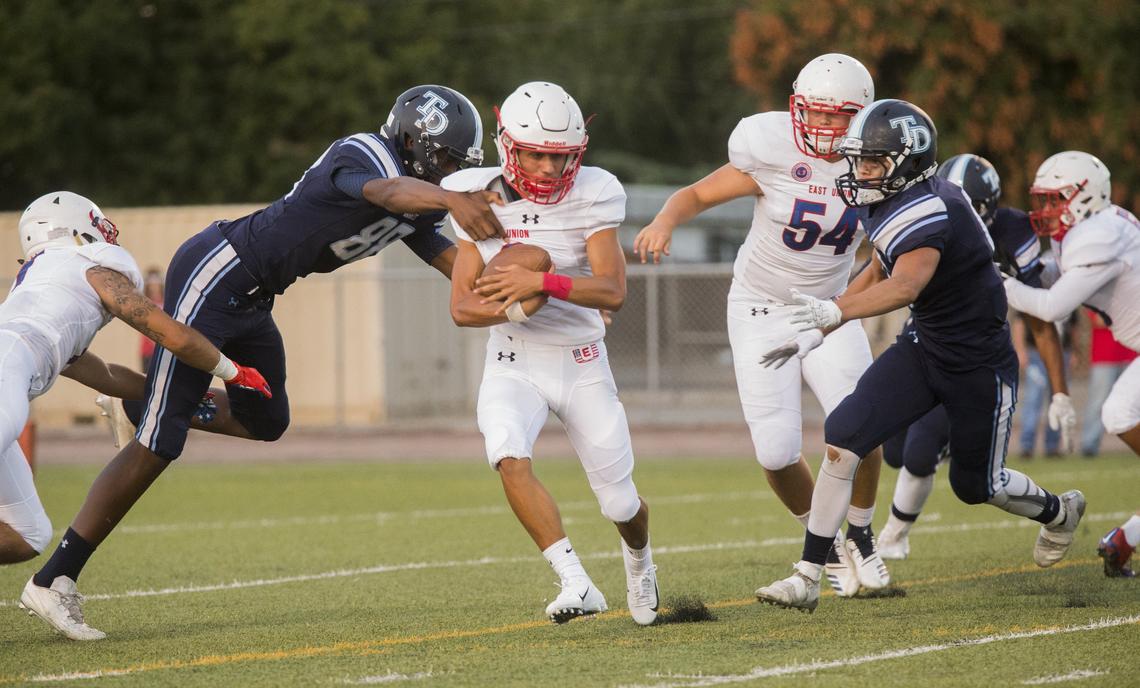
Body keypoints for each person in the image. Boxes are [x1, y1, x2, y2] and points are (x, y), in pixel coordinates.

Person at [23, 85, 505, 641]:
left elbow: (453, 264)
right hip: (218, 269)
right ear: (411, 139)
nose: (447, 175)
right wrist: (452, 199)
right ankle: (54, 578)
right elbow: (388, 191)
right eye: (443, 160)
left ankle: (142, 402)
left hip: (253, 296)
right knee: (161, 443)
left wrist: (530, 293)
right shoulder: (365, 153)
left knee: (266, 418)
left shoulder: (420, 204)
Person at [755, 100, 1085, 612]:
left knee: (977, 485)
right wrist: (825, 320)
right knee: (844, 435)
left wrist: (834, 314)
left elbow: (906, 283)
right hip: (926, 344)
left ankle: (1058, 512)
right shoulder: (889, 196)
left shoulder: (931, 208)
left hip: (978, 362)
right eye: (858, 159)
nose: (859, 170)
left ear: (906, 163)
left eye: (871, 162)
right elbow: (881, 265)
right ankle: (809, 574)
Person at [633, 54, 888, 597]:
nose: (823, 126)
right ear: (796, 107)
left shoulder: (878, 160)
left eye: (838, 116)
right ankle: (830, 545)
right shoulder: (770, 147)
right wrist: (664, 219)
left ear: (862, 117)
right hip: (760, 308)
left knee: (866, 428)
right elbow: (697, 192)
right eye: (814, 112)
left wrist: (850, 302)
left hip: (831, 309)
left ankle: (863, 534)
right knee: (775, 452)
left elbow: (894, 249)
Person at [4, 192, 270, 637]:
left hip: (11, 369)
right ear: (76, 228)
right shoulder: (89, 265)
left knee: (27, 532)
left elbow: (106, 374)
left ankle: (47, 587)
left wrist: (170, 395)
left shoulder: (42, 293)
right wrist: (231, 370)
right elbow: (163, 329)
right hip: (5, 368)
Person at [447, 81, 658, 625]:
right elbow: (463, 309)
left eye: (558, 156)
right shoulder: (472, 193)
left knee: (619, 503)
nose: (545, 167)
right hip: (513, 360)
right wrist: (519, 302)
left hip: (581, 359)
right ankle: (575, 581)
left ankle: (640, 561)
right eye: (535, 153)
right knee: (506, 452)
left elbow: (611, 290)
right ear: (506, 145)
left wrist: (544, 282)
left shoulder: (596, 191)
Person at [876, 154, 1074, 559]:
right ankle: (945, 447)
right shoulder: (921, 215)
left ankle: (892, 538)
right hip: (921, 340)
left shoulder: (1013, 230)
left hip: (975, 354)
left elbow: (1040, 316)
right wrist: (836, 309)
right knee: (893, 450)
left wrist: (1060, 392)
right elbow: (879, 272)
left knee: (931, 458)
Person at [1001, 150, 1140, 578]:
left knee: (1118, 412)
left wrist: (997, 281)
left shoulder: (1101, 233)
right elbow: (1050, 275)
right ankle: (1126, 539)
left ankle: (1127, 538)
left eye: (1055, 199)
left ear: (1085, 197)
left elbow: (1053, 304)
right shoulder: (1082, 229)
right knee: (1120, 411)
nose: (1046, 210)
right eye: (1042, 199)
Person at [1013, 312, 1076, 458]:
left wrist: (1073, 350)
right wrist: (1020, 349)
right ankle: (1027, 445)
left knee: (1059, 399)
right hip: (1036, 353)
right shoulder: (1034, 290)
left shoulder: (1069, 293)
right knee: (1033, 399)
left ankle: (1052, 446)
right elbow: (1019, 322)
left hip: (1063, 353)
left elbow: (1073, 326)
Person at [1081, 311, 1137, 457]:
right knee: (1098, 402)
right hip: (1104, 355)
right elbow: (1099, 320)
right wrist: (1127, 317)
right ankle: (1089, 444)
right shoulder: (1098, 295)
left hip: (1130, 354)